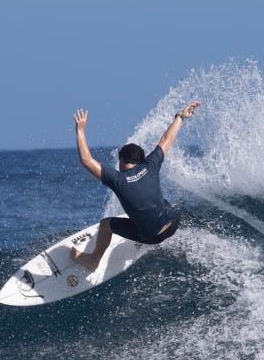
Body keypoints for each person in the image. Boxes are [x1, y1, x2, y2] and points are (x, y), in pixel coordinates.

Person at [70, 100, 201, 271]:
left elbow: (87, 160)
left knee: (105, 224)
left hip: (152, 237)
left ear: (122, 161)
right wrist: (180, 116)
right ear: (140, 161)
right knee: (163, 202)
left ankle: (93, 260)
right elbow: (167, 139)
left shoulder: (117, 179)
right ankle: (146, 230)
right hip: (173, 224)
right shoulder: (150, 165)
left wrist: (80, 130)